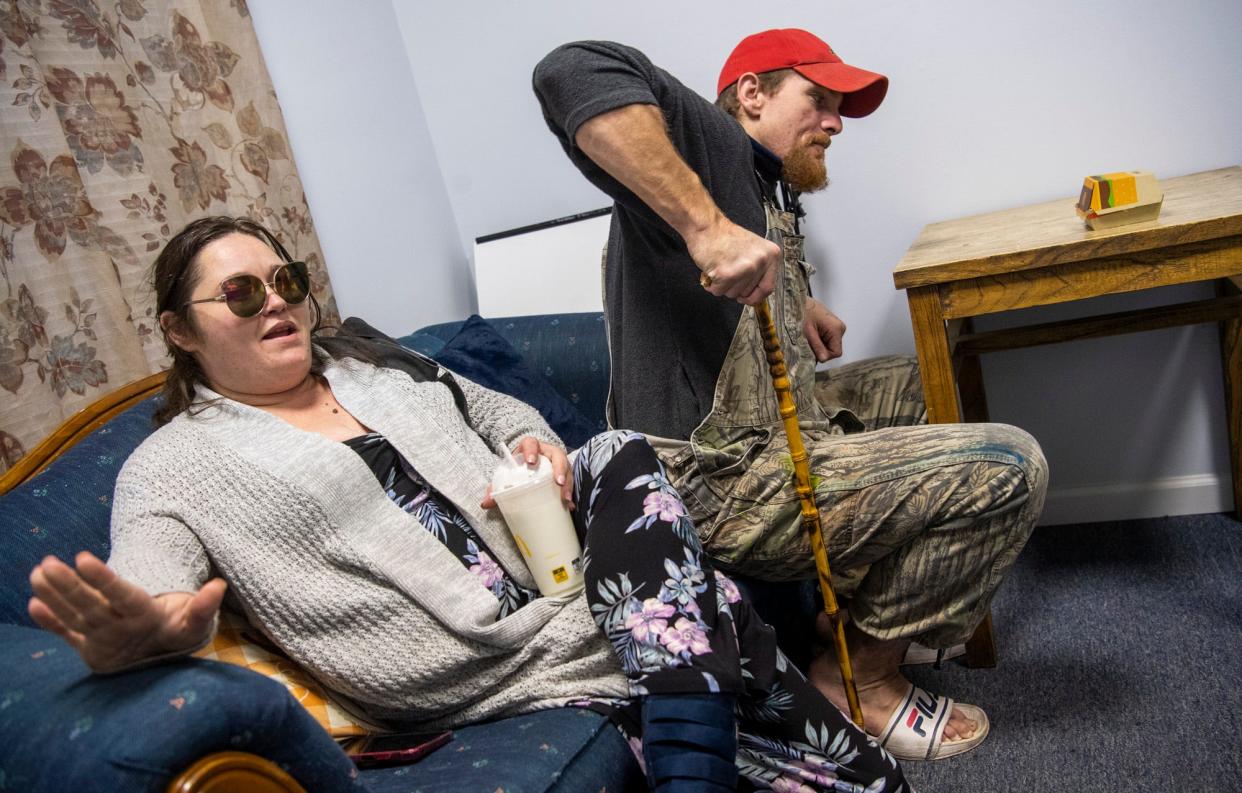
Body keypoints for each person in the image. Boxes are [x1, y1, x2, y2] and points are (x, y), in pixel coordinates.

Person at [25, 216, 912, 792]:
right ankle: (723, 751)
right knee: (702, 603)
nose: (279, 304)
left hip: (572, 594)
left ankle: (712, 763)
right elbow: (152, 588)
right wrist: (153, 631)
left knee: (613, 454)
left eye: (286, 279)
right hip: (467, 658)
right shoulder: (170, 465)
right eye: (242, 294)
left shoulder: (367, 367)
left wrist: (529, 445)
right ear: (180, 331)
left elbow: (496, 411)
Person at [533, 29, 1049, 761]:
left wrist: (798, 302)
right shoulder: (708, 144)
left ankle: (872, 618)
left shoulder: (768, 179)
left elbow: (738, 284)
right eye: (819, 101)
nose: (835, 123)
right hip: (711, 483)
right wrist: (707, 229)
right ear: (751, 94)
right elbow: (569, 70)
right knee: (1009, 465)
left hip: (775, 439)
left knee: (909, 378)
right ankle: (858, 681)